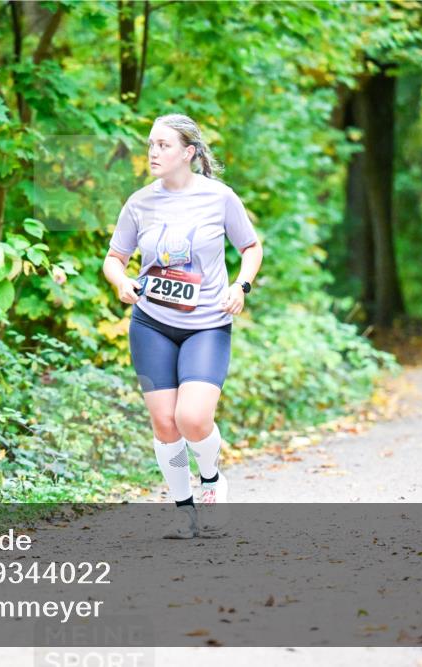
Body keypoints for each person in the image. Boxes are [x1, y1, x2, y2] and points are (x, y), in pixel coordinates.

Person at [102, 114, 263, 538]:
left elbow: (250, 246)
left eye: (164, 145)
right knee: (165, 423)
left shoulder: (219, 197)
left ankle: (211, 480)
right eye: (151, 145)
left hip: (207, 322)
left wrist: (241, 285)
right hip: (151, 322)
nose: (154, 152)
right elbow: (114, 258)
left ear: (188, 153)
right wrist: (121, 282)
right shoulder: (139, 203)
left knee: (192, 418)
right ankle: (183, 509)